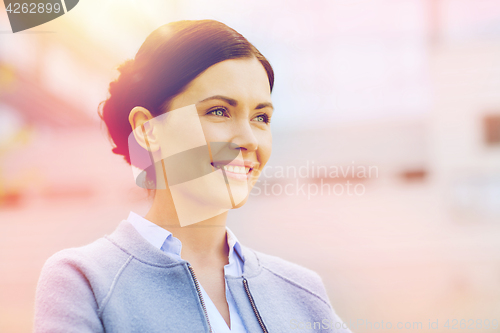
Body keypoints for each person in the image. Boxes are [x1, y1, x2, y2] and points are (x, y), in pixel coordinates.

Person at [33, 20, 351, 333]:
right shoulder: (84, 280)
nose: (249, 140)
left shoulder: (302, 292)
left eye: (261, 117)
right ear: (147, 129)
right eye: (218, 111)